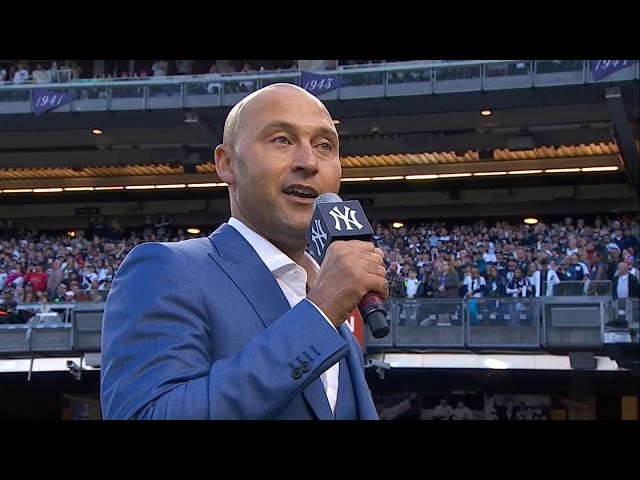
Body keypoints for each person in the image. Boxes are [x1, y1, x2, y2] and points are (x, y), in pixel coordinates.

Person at [100, 83, 389, 419]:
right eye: (281, 139)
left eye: (324, 145)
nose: (309, 162)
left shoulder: (330, 293)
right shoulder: (166, 269)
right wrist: (320, 312)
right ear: (227, 164)